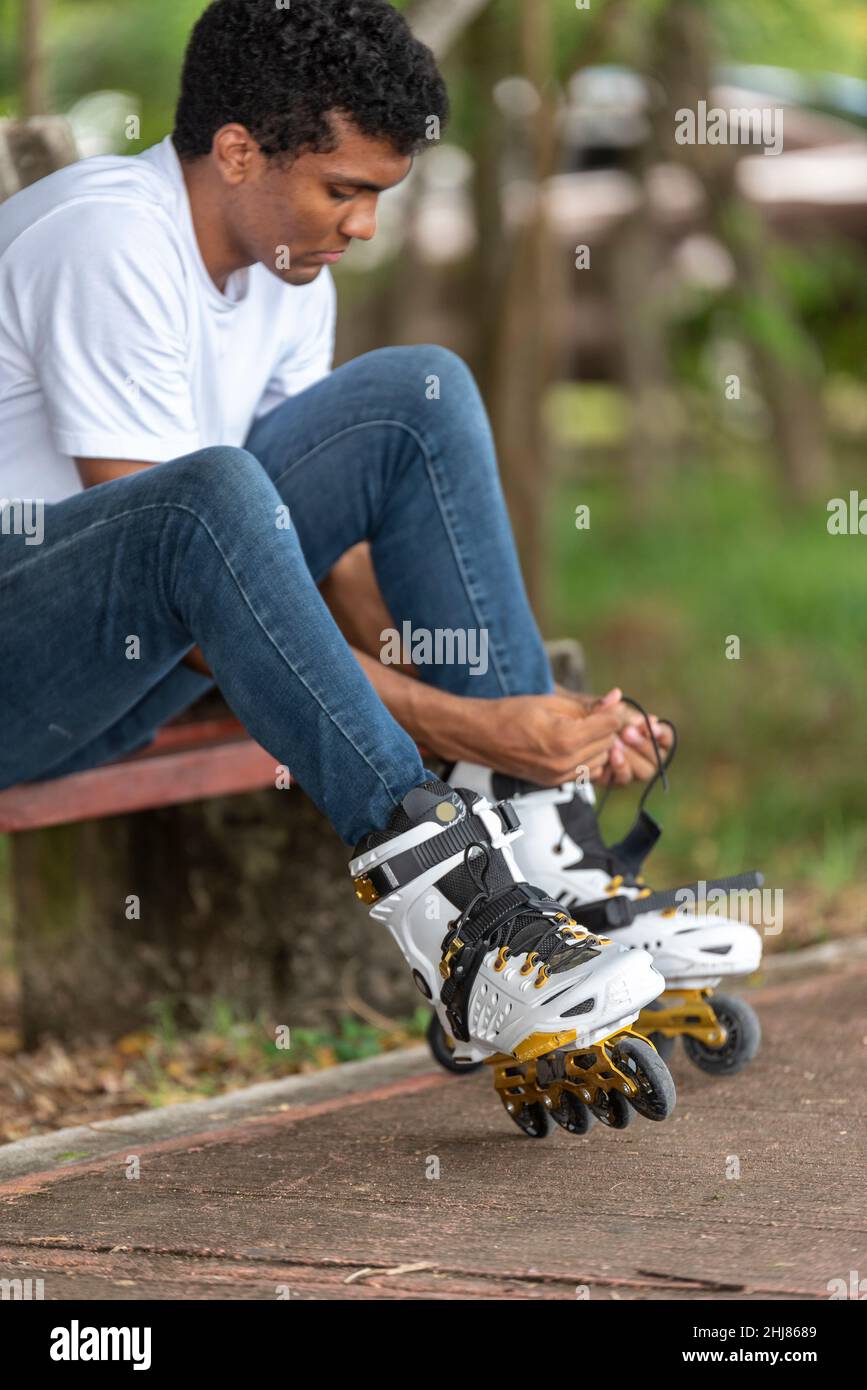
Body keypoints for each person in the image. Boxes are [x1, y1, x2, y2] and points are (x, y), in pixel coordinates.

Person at [0, 0, 681, 1132]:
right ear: (236, 152)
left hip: (133, 642)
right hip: (33, 663)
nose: (361, 226)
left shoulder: (280, 262)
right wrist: (467, 727)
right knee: (211, 493)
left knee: (418, 393)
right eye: (344, 190)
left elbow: (307, 562)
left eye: (377, 195)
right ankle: (467, 928)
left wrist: (516, 713)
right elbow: (205, 573)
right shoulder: (109, 239)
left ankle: (539, 855)